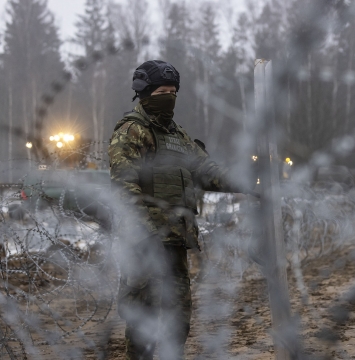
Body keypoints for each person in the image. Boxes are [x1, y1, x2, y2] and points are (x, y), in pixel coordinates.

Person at [108, 60, 252, 360]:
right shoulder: (132, 131)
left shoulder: (179, 137)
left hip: (174, 243)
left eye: (174, 91)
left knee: (178, 320)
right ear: (144, 92)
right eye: (163, 90)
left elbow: (206, 170)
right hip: (144, 246)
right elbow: (125, 186)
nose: (170, 96)